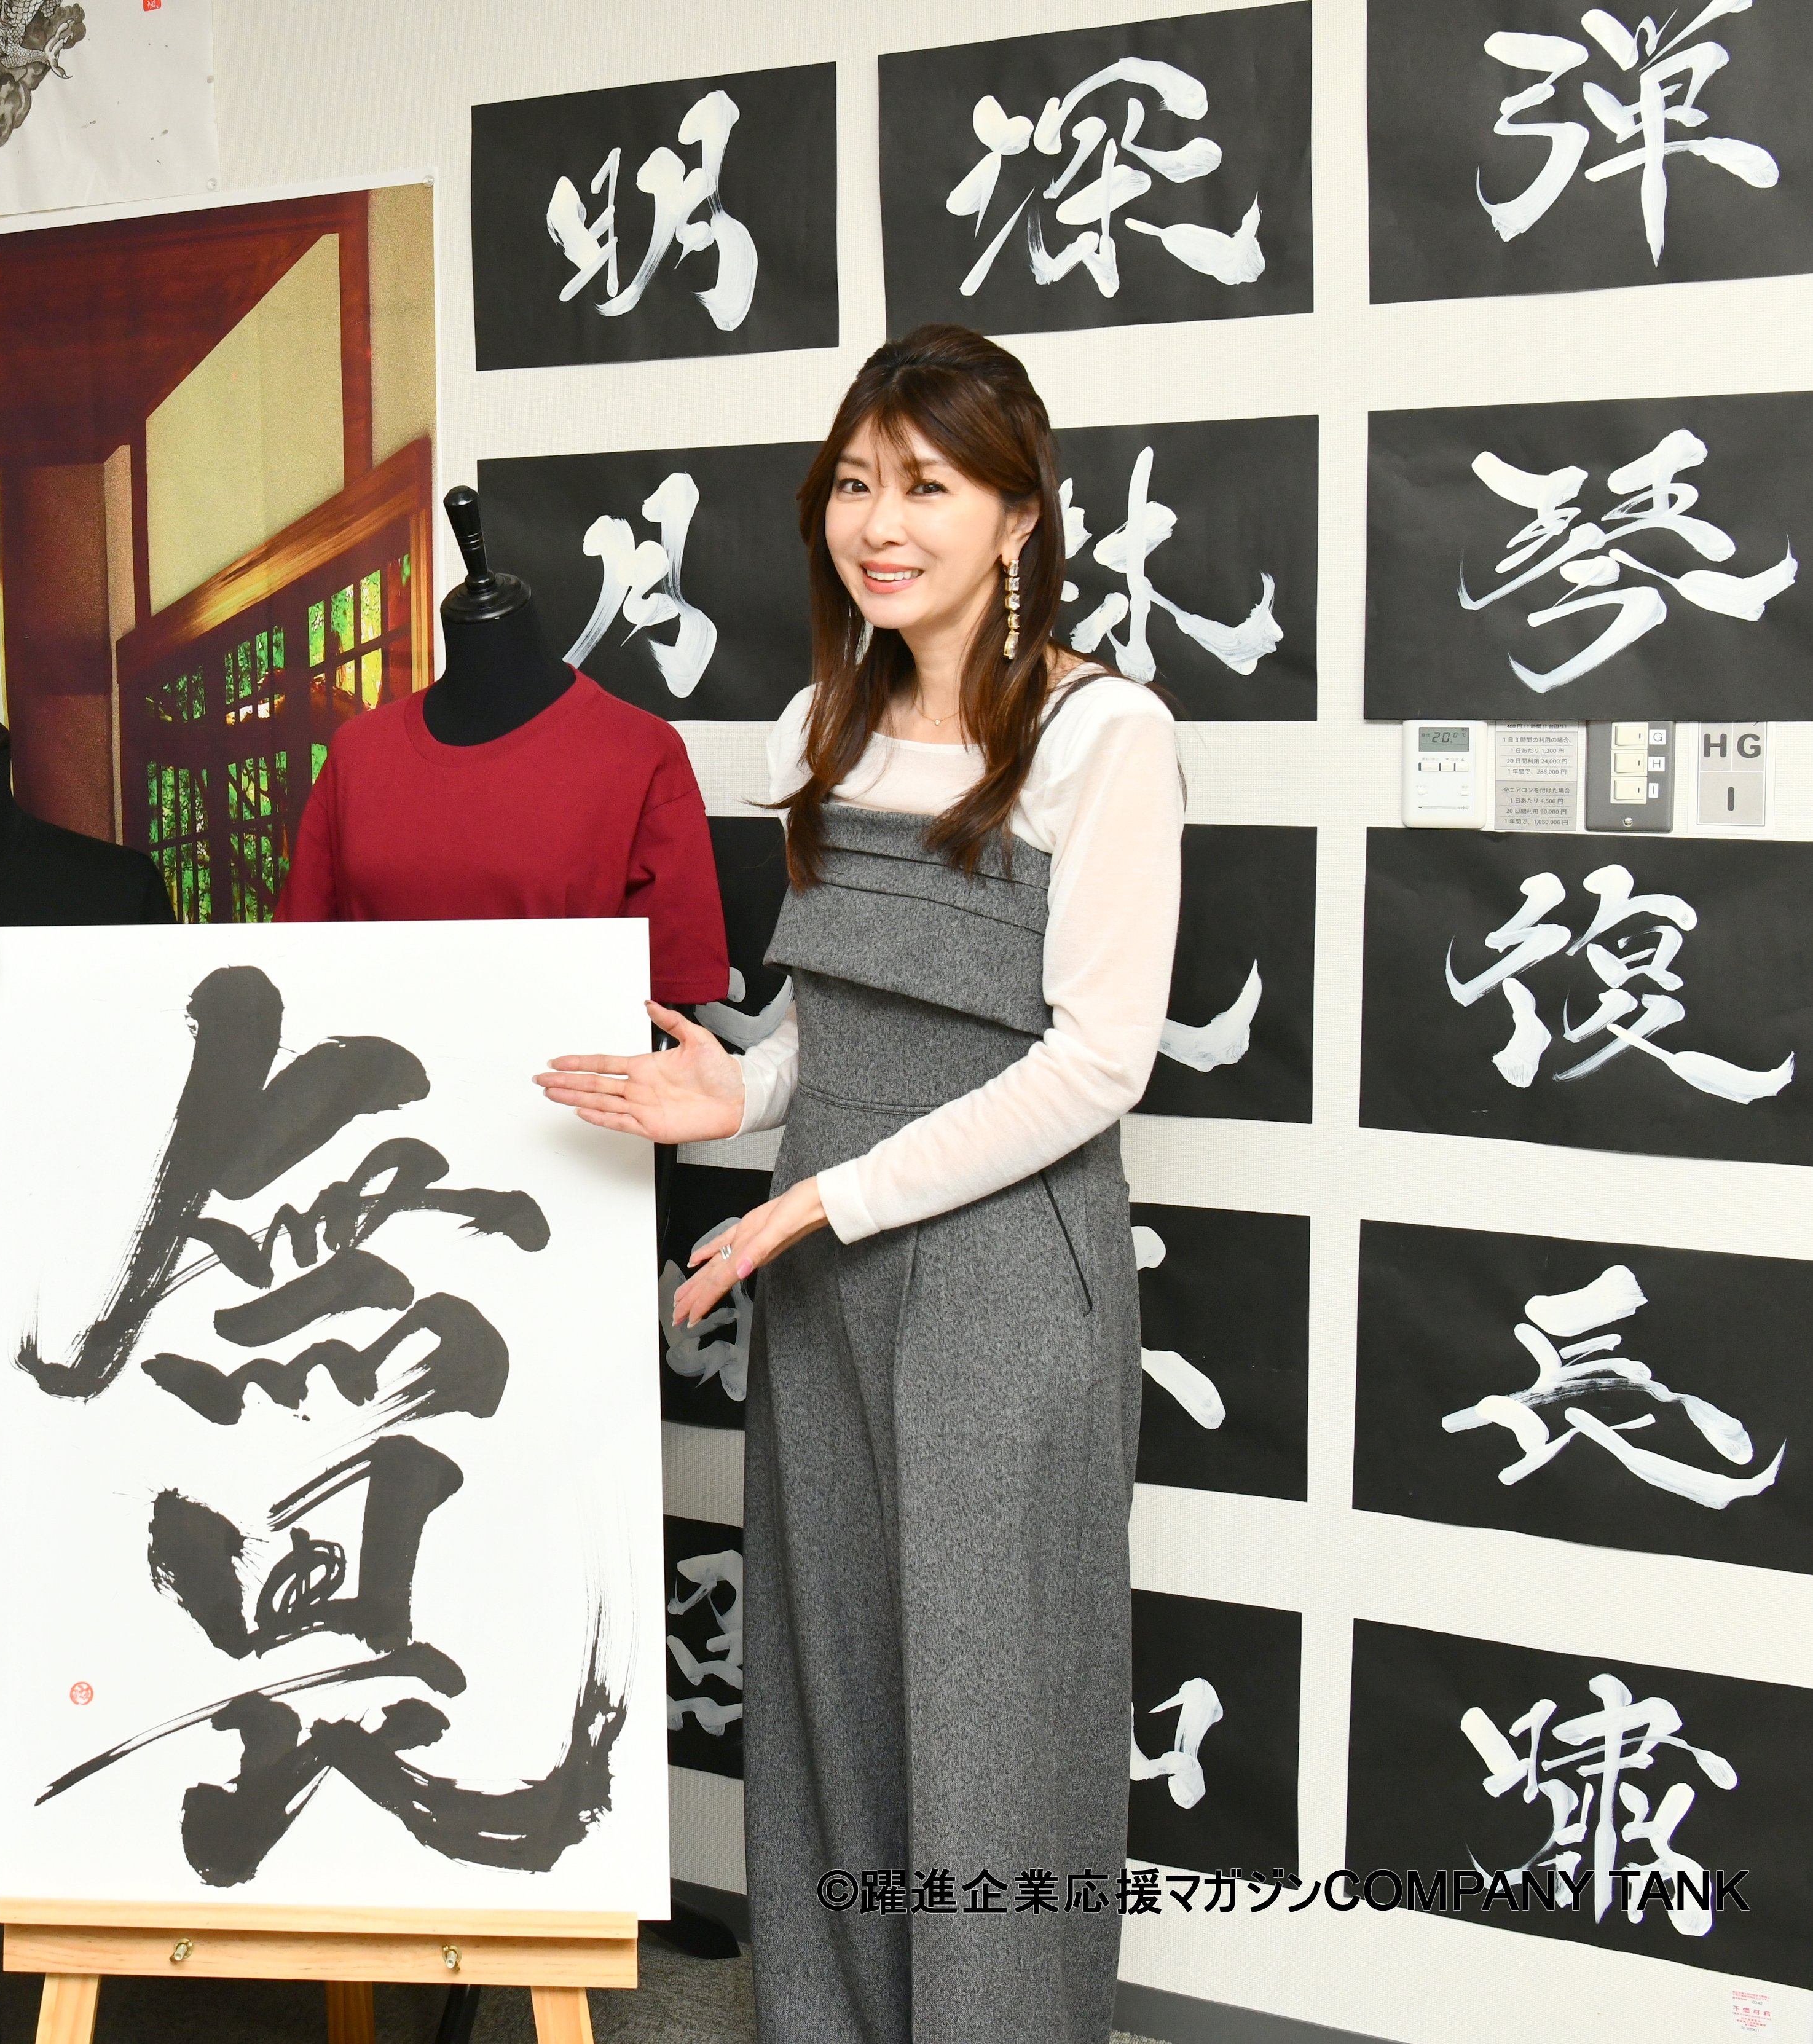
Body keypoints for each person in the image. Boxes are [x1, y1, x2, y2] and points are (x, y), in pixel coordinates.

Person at [536, 325, 1182, 2044]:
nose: (878, 524)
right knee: (829, 1688)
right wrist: (733, 1091)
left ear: (1019, 513)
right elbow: (837, 1021)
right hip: (821, 1255)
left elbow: (1093, 1061)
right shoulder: (819, 721)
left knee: (988, 1711)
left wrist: (826, 1192)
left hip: (996, 1275)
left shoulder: (1102, 734)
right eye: (852, 484)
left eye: (927, 487)